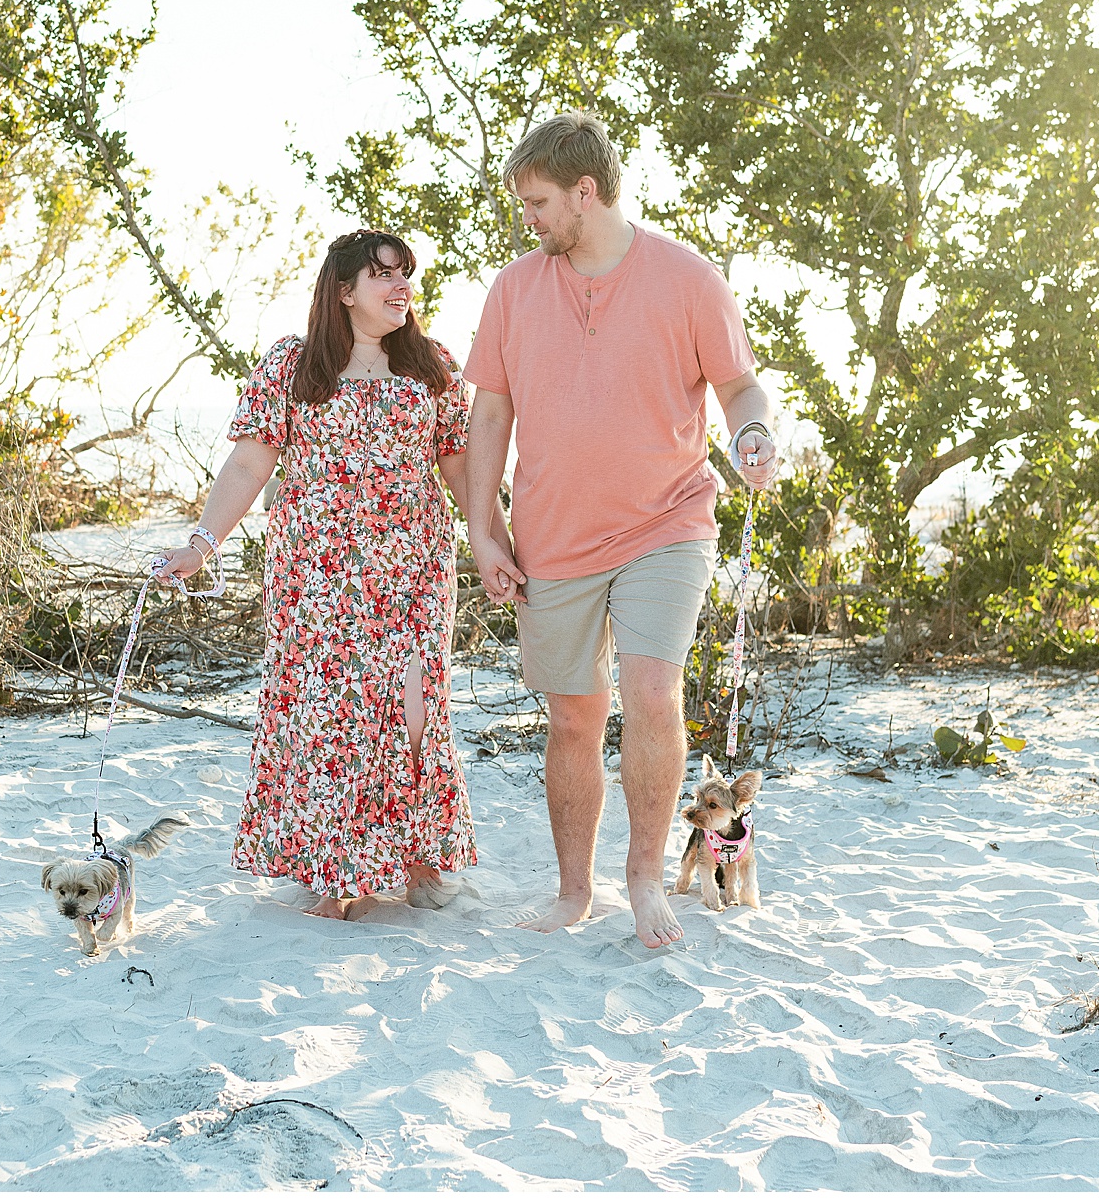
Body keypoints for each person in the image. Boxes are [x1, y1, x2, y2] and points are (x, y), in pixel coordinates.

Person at [464, 112, 780, 950]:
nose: (526, 218)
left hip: (666, 521)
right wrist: (485, 528)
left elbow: (740, 387)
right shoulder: (513, 289)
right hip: (552, 535)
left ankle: (645, 878)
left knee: (650, 691)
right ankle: (576, 891)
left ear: (585, 191)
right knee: (573, 715)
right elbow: (489, 414)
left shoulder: (687, 277)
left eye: (536, 202)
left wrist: (753, 432)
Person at [154, 230, 481, 919]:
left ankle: (417, 852)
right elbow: (249, 465)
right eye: (384, 276)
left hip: (414, 568)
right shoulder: (292, 366)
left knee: (416, 707)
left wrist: (500, 547)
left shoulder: (434, 367)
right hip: (318, 576)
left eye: (406, 276)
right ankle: (338, 873)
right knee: (329, 717)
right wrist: (202, 544)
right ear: (343, 291)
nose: (402, 289)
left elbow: (462, 471)